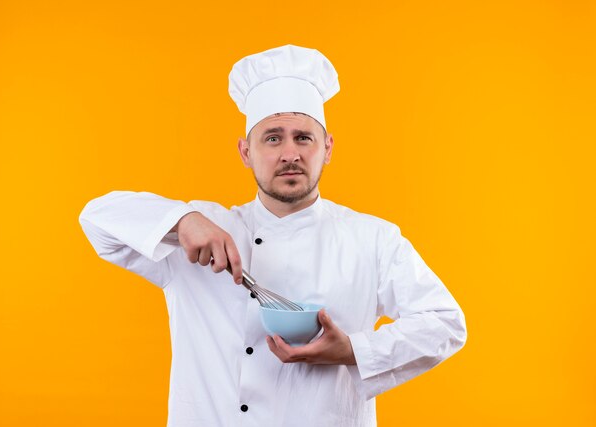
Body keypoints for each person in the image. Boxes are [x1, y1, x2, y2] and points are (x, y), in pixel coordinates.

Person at [79, 44, 467, 427]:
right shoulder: (202, 232)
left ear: (327, 148)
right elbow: (96, 218)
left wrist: (353, 350)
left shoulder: (373, 239)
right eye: (272, 138)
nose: (289, 153)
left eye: (303, 138)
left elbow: (446, 324)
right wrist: (182, 220)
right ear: (245, 151)